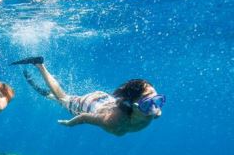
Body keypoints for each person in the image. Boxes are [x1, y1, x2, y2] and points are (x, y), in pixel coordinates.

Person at [12, 57, 164, 136]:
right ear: (132, 105)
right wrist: (69, 124)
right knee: (63, 99)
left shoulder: (153, 112)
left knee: (63, 99)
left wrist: (151, 106)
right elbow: (84, 117)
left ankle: (49, 95)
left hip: (105, 99)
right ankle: (39, 65)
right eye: (147, 104)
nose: (154, 108)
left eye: (157, 101)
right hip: (91, 104)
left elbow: (154, 110)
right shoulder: (112, 121)